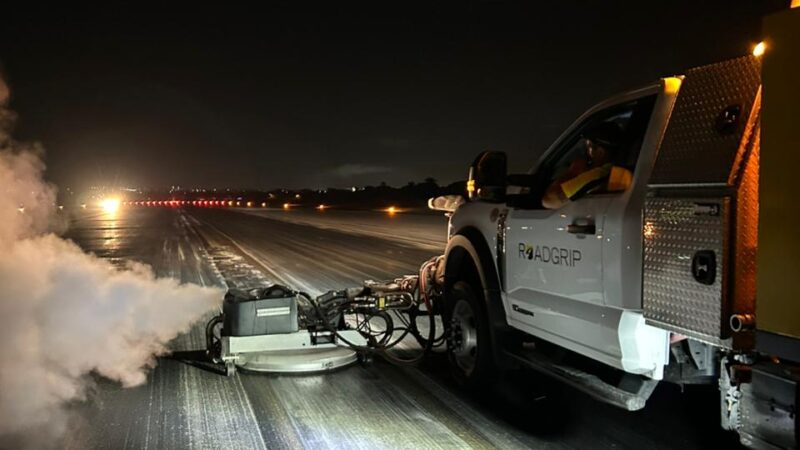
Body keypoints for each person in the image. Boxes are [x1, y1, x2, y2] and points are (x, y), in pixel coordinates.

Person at [541, 121, 632, 209]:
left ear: (600, 152)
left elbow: (548, 200)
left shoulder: (598, 174)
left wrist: (572, 173)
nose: (586, 151)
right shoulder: (616, 169)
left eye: (589, 146)